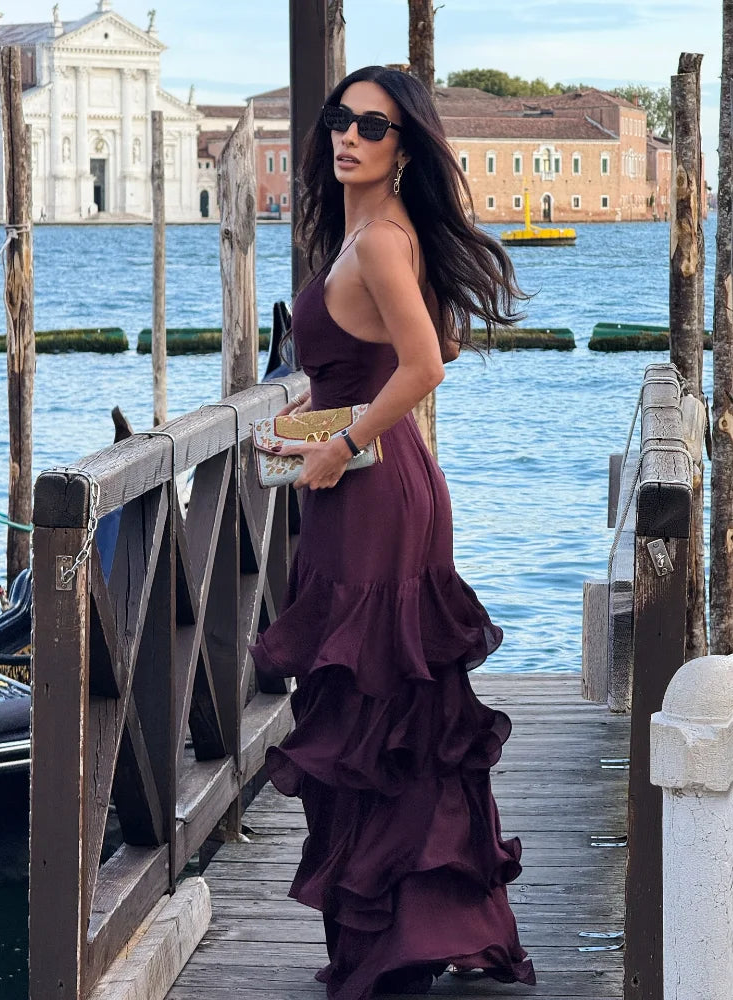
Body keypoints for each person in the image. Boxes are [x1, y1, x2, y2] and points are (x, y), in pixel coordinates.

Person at [249, 65, 536, 999]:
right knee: (385, 711)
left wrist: (344, 444)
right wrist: (310, 431)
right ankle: (416, 928)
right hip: (366, 483)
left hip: (373, 495)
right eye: (340, 119)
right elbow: (412, 352)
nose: (349, 137)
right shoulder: (369, 234)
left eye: (372, 127)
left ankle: (395, 946)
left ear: (403, 148)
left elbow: (423, 367)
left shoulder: (379, 240)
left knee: (379, 710)